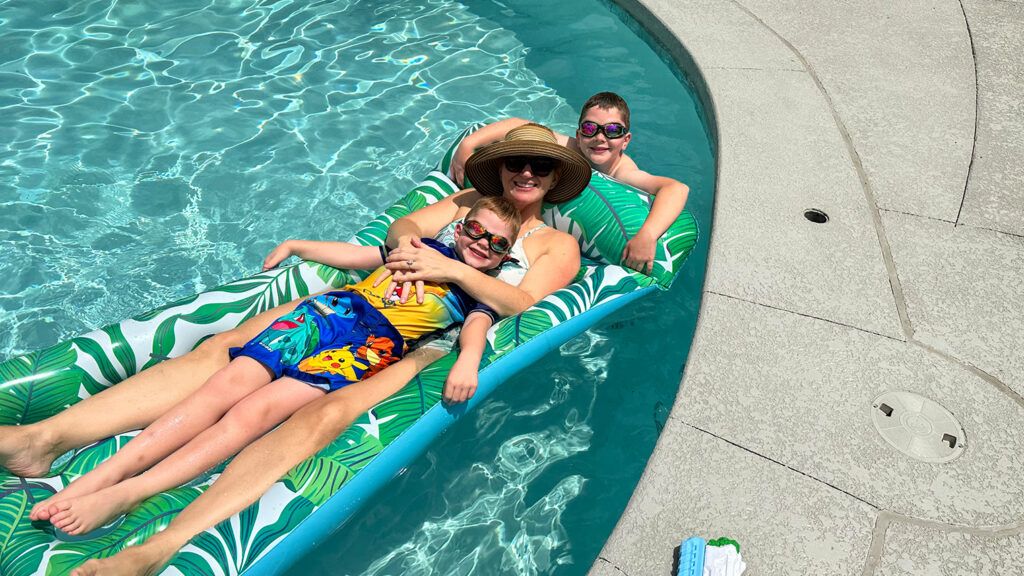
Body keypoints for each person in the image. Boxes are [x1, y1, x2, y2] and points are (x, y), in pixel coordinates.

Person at [2, 124, 587, 576]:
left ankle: (158, 545)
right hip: (356, 306)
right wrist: (410, 251)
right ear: (500, 167)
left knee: (316, 412)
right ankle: (44, 440)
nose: (527, 173)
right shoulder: (465, 205)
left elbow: (521, 303)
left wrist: (444, 273)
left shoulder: (555, 243)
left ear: (557, 176)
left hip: (421, 345)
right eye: (516, 161)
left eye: (541, 166)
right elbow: (401, 228)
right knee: (231, 351)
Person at [31, 196, 524, 536]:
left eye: (497, 243)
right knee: (223, 387)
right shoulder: (420, 250)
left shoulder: (471, 290)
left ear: (504, 256)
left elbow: (484, 323)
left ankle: (130, 492)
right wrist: (297, 245)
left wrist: (469, 364)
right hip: (325, 314)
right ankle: (100, 478)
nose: (482, 243)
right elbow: (358, 256)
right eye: (476, 230)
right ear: (460, 226)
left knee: (254, 415)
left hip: (365, 348)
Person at [450, 91, 689, 275]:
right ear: (578, 134)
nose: (599, 138)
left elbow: (676, 188)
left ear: (626, 140)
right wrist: (467, 146)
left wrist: (647, 235)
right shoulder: (570, 148)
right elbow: (520, 125)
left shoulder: (622, 172)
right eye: (589, 128)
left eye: (613, 130)